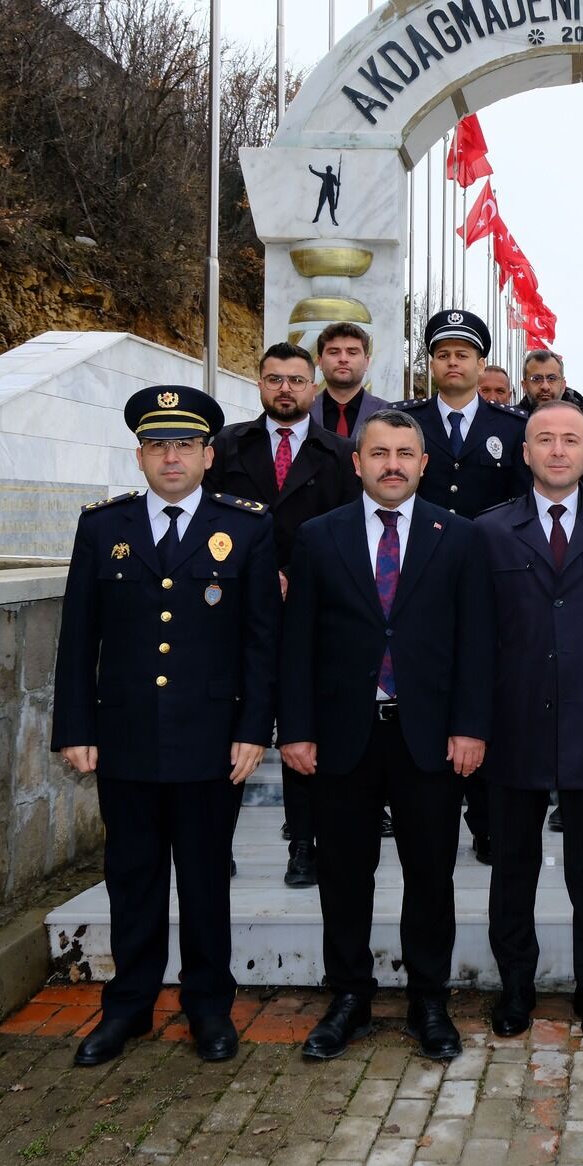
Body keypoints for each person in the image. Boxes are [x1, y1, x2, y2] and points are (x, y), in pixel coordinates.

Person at [53, 385, 276, 1068]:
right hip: (125, 737)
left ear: (209, 454)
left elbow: (261, 639)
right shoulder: (103, 528)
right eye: (157, 445)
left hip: (211, 740)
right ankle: (128, 1007)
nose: (170, 457)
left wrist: (254, 728)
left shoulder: (247, 526)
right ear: (140, 456)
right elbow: (78, 637)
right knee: (132, 876)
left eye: (184, 444)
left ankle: (208, 1006)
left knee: (205, 879)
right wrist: (75, 727)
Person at [281, 409, 494, 1062]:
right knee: (345, 874)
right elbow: (297, 643)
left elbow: (476, 641)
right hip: (343, 737)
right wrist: (296, 730)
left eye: (405, 453)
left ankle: (429, 1000)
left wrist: (470, 726)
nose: (392, 464)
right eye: (379, 452)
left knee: (430, 874)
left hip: (427, 737)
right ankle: (349, 997)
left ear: (424, 464)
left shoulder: (459, 537)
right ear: (357, 462)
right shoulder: (318, 537)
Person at [475, 401, 583, 1041]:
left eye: (572, 439)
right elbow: (475, 635)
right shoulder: (489, 531)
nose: (559, 450)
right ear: (526, 452)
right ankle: (516, 987)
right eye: (545, 439)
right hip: (514, 721)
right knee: (512, 869)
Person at [205, 342, 360, 889]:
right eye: (275, 379)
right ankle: (215, 845)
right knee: (231, 726)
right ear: (260, 385)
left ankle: (304, 845)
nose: (286, 390)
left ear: (313, 387)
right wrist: (257, 572)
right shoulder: (226, 446)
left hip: (311, 612)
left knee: (302, 727)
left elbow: (347, 528)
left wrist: (297, 572)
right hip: (236, 612)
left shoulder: (340, 453)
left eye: (296, 380)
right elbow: (209, 522)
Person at [392, 309, 529, 864]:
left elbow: (520, 506)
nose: (453, 363)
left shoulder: (512, 427)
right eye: (443, 354)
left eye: (463, 354)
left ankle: (487, 819)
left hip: (488, 579)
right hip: (417, 581)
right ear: (431, 362)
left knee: (485, 691)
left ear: (480, 363)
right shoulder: (406, 422)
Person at [309, 321, 390, 437]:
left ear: (366, 362)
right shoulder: (303, 412)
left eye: (352, 353)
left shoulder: (389, 414)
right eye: (334, 352)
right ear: (320, 362)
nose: (343, 359)